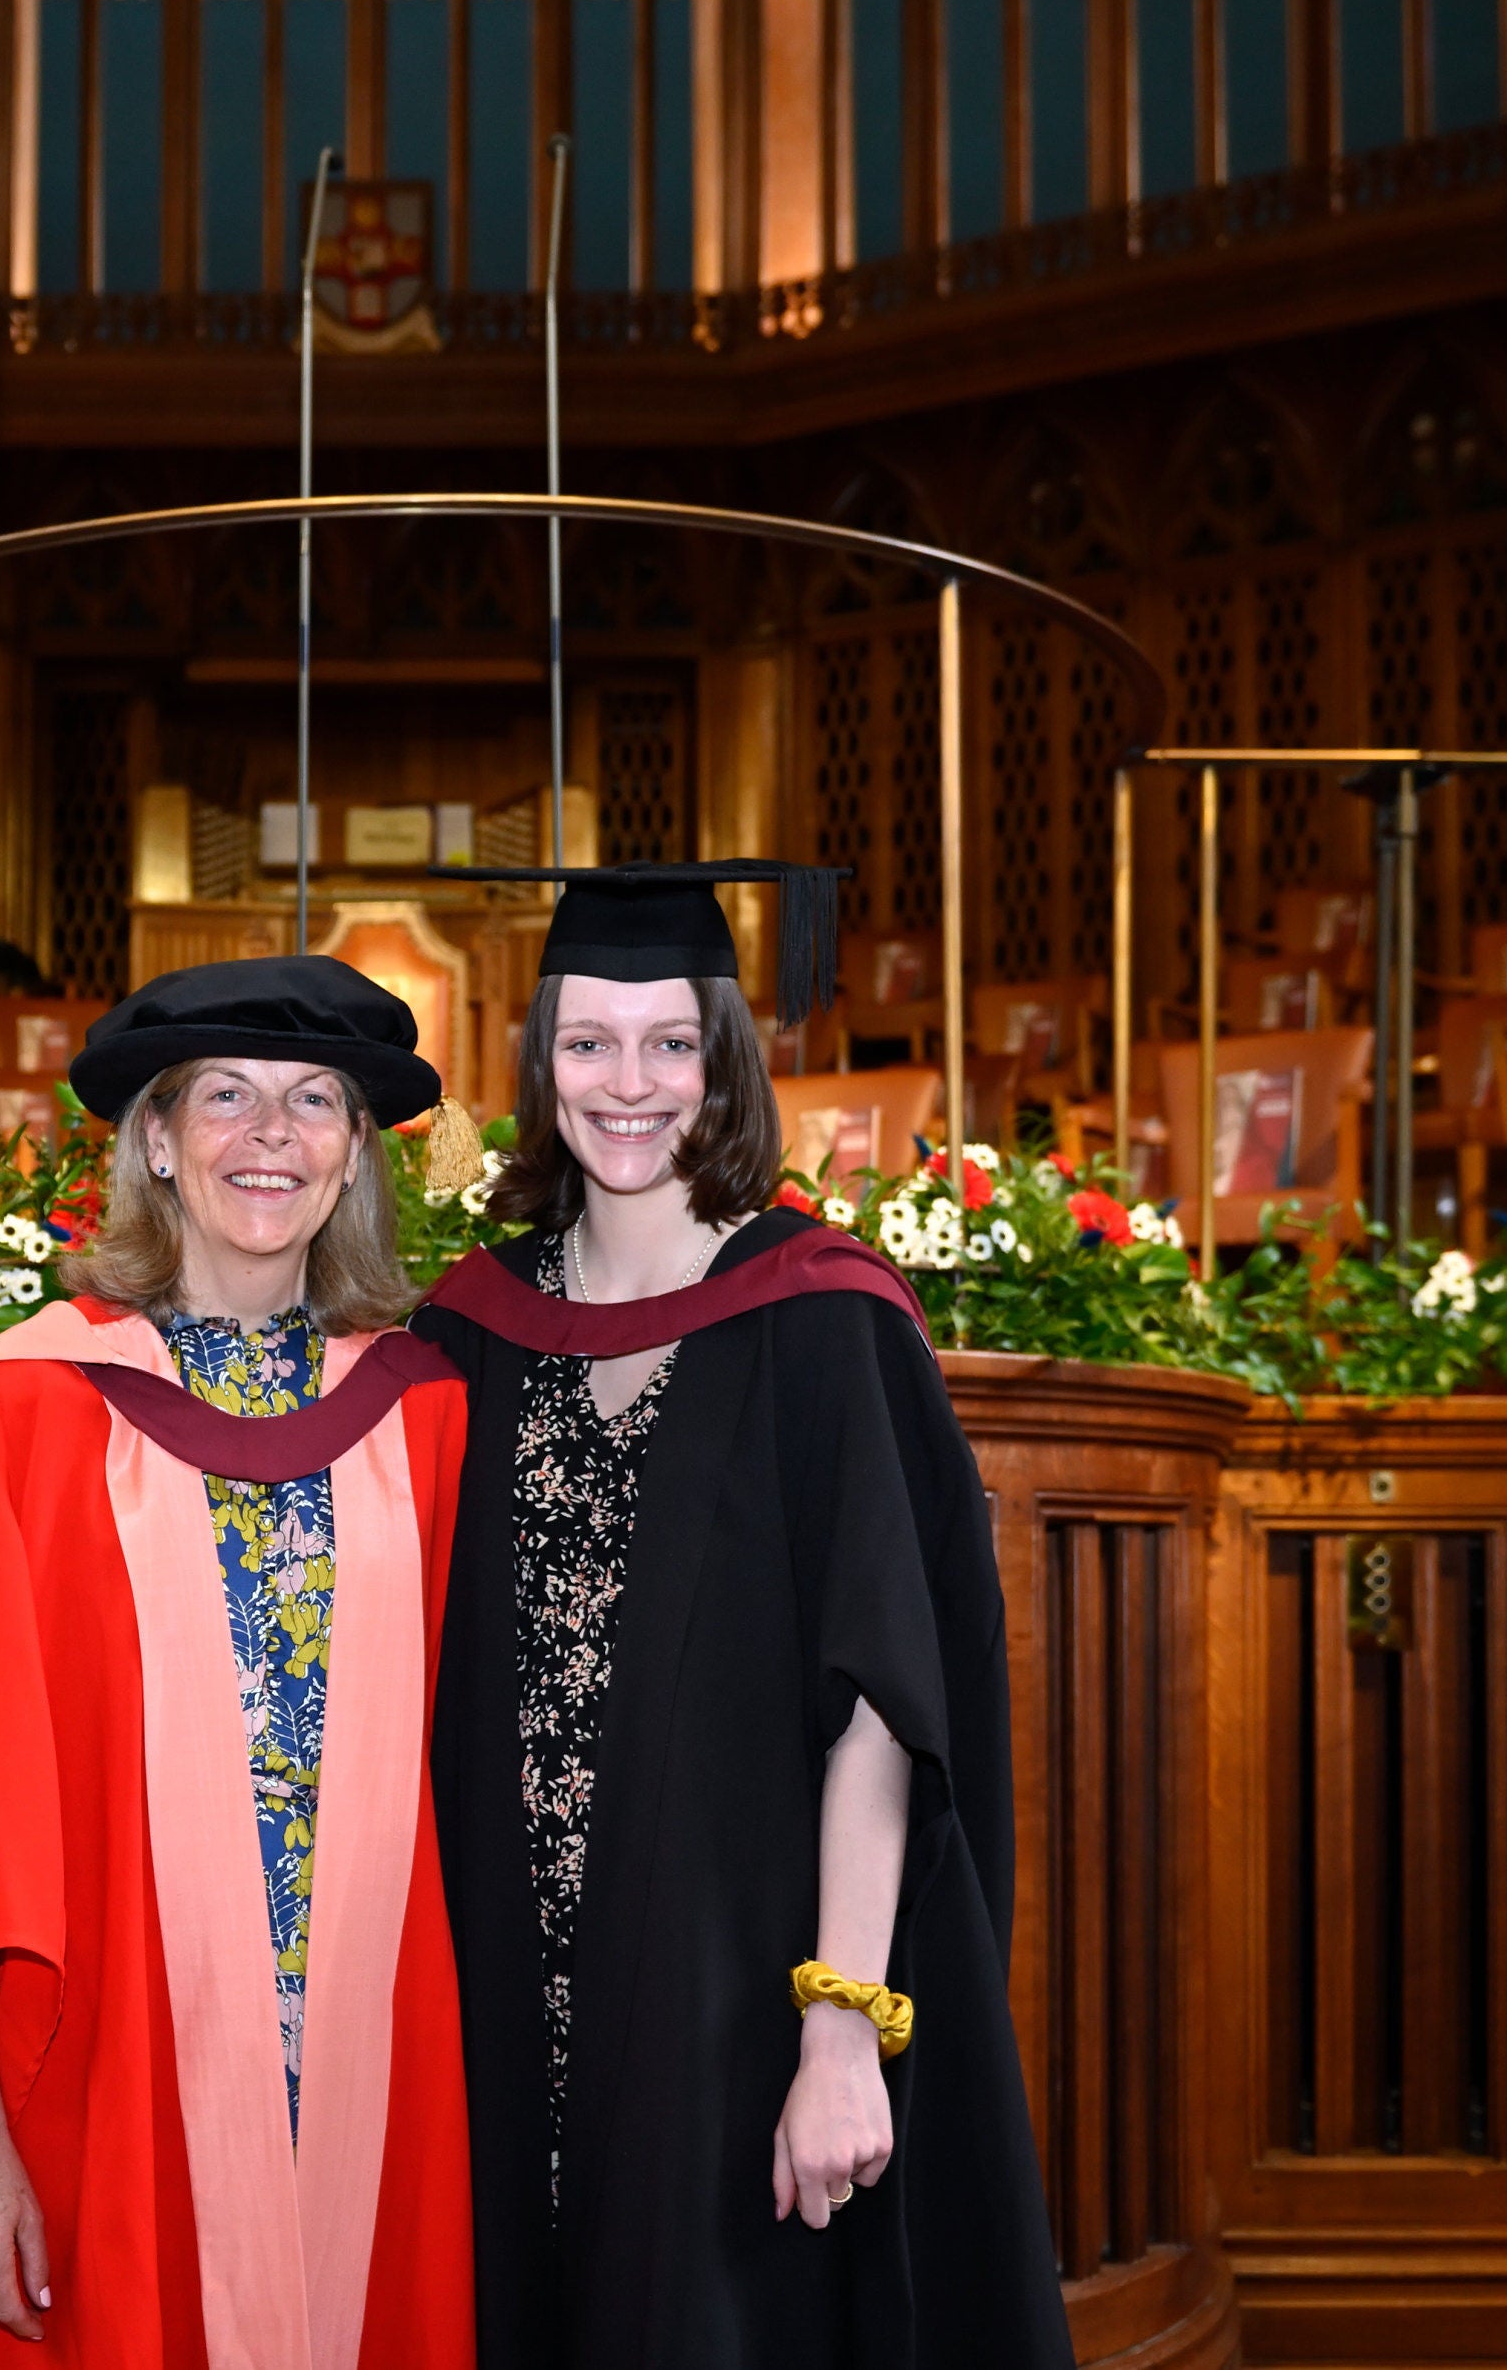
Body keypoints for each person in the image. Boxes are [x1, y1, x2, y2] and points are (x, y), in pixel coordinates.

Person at [413, 863, 1073, 2370]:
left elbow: (883, 1704)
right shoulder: (465, 1327)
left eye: (669, 1043)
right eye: (588, 1043)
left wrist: (842, 2023)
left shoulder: (819, 1316)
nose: (627, 1084)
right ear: (540, 1063)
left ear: (724, 1058)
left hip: (736, 1981)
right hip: (499, 1978)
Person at [0, 956, 478, 2370]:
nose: (271, 1136)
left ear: (355, 1155)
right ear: (155, 1142)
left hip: (369, 2041)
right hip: (108, 2046)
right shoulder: (27, 1404)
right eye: (226, 1099)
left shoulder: (420, 1409)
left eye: (315, 1103)